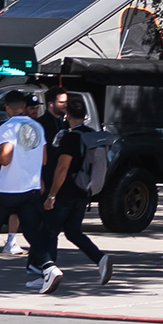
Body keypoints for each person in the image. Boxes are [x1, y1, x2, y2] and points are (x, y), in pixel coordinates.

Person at [0, 89, 55, 296]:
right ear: (24, 106)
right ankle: (49, 267)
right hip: (31, 187)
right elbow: (43, 159)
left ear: (7, 107)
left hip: (8, 188)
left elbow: (5, 158)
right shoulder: (37, 126)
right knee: (31, 231)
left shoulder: (8, 126)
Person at [40, 95, 118, 290]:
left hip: (66, 192)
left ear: (67, 115)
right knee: (73, 232)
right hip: (84, 191)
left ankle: (49, 272)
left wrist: (51, 195)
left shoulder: (71, 138)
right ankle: (100, 258)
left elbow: (62, 168)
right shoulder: (92, 135)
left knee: (48, 231)